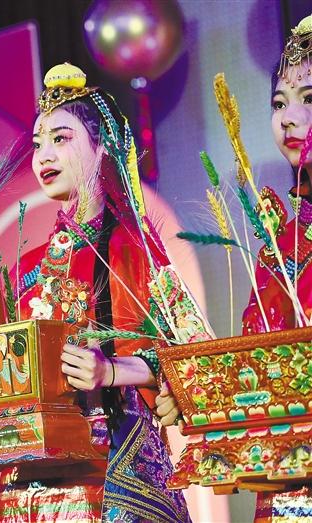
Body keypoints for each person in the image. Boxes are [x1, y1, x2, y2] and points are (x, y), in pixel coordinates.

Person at [0, 63, 190, 522]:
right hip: (31, 475)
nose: (44, 154)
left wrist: (110, 370)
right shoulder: (28, 266)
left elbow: (186, 351)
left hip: (108, 464)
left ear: (101, 148)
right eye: (38, 142)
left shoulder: (129, 244)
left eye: (61, 139)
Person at [242, 13, 312, 522]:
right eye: (279, 103)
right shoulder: (276, 246)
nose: (288, 118)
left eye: (308, 98)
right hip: (287, 485)